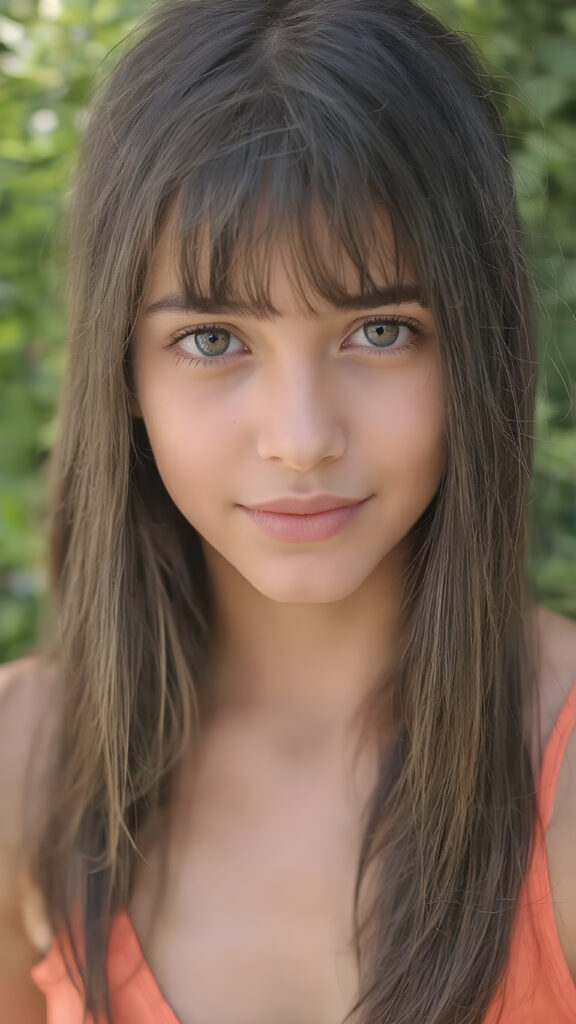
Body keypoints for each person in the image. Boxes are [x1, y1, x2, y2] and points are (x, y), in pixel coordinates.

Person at [0, 0, 575, 1021]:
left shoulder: (559, 771)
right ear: (123, 373)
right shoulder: (23, 766)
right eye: (215, 339)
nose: (301, 436)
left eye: (382, 329)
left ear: (480, 349)